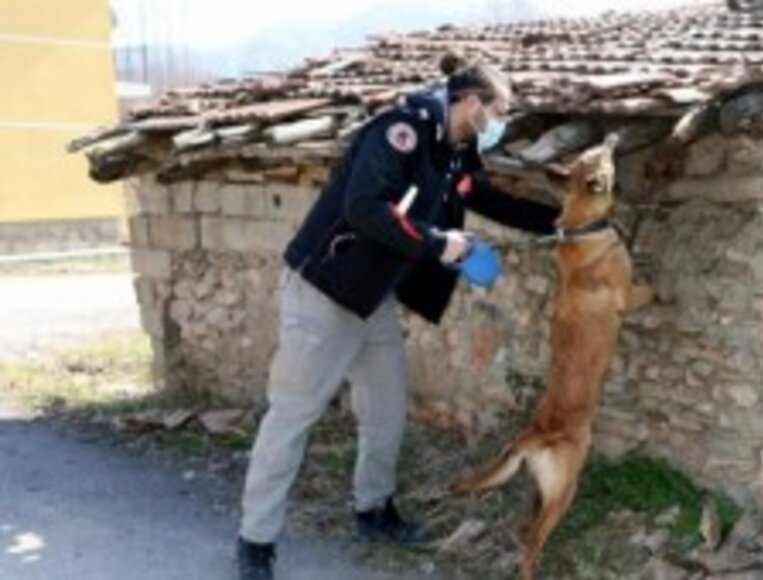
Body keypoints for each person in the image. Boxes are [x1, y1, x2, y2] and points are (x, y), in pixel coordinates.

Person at [235, 54, 561, 580]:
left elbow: (482, 197)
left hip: (373, 299)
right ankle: (256, 542)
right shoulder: (401, 131)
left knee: (386, 409)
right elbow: (365, 206)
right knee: (292, 417)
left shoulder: (452, 152)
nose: (500, 125)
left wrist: (560, 222)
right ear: (471, 103)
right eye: (498, 112)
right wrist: (438, 244)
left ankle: (374, 510)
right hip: (324, 293)